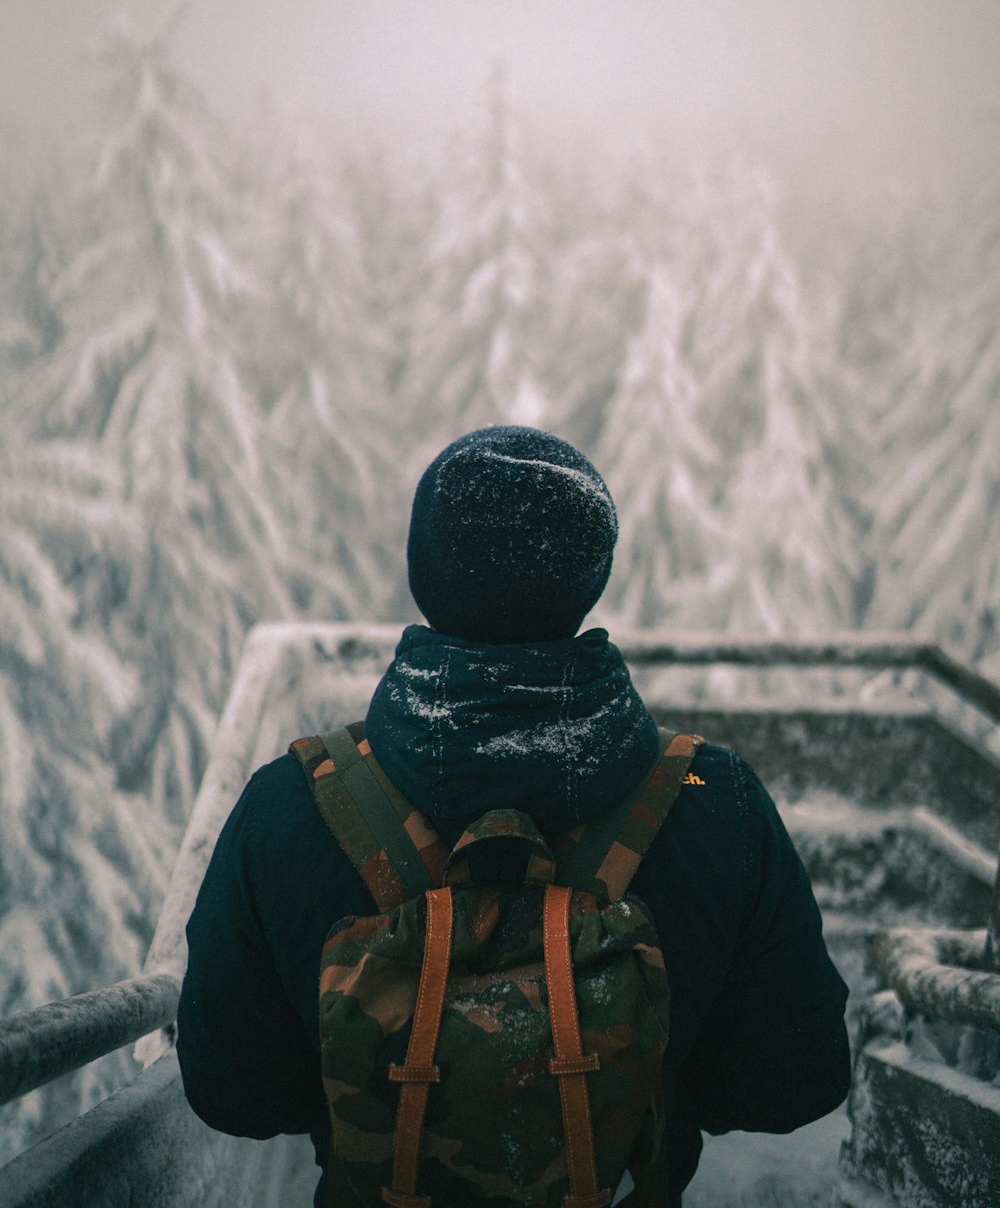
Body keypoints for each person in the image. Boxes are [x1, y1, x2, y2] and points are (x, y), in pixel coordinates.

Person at [177, 424, 850, 1206]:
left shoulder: (288, 805)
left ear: (422, 571)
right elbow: (795, 1081)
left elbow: (235, 1094)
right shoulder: (715, 802)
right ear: (591, 573)